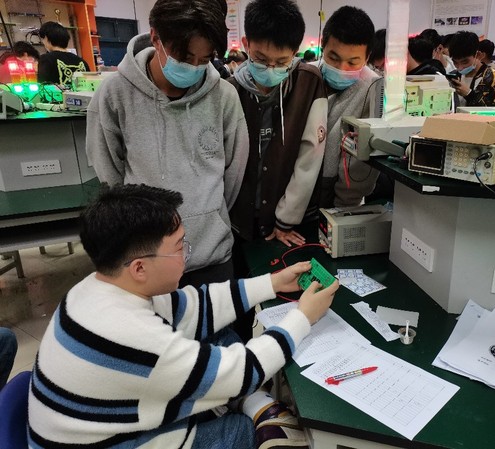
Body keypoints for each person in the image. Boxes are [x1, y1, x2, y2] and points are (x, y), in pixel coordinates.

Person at [27, 183, 339, 449]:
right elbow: (242, 372)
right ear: (139, 267)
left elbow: (197, 307)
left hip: (101, 424)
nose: (187, 255)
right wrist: (303, 317)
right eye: (179, 247)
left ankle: (252, 403)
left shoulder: (99, 286)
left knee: (217, 334)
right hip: (118, 442)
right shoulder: (131, 335)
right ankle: (255, 408)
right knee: (244, 432)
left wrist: (272, 283)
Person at [86, 0, 249, 289]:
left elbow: (234, 171)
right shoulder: (114, 94)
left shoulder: (223, 96)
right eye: (184, 57)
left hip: (213, 256)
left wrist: (210, 216)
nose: (194, 67)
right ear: (155, 38)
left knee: (219, 318)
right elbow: (109, 171)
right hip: (148, 259)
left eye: (204, 59)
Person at [228, 0, 327, 248]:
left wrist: (286, 218)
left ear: (295, 53)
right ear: (246, 44)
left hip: (287, 218)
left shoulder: (308, 82)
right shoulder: (231, 90)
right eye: (261, 59)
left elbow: (310, 157)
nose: (270, 69)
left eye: (282, 62)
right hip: (239, 217)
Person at [317, 6, 382, 208]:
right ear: (322, 45)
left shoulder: (373, 89)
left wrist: (345, 207)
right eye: (333, 58)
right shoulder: (308, 76)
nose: (341, 69)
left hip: (340, 190)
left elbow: (362, 164)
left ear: (367, 57)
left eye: (353, 62)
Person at [448, 31, 495, 107]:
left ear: (478, 55)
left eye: (465, 62)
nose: (460, 67)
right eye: (455, 62)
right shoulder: (452, 77)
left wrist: (469, 94)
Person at [37, 21, 89, 85]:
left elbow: (42, 85)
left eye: (42, 39)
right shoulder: (82, 62)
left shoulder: (46, 59)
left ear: (46, 38)